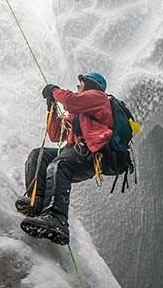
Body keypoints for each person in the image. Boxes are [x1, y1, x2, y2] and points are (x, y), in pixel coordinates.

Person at [16, 71, 113, 245]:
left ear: (90, 85)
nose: (77, 86)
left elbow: (71, 101)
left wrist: (54, 91)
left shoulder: (98, 98)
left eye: (80, 84)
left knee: (59, 164)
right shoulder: (80, 113)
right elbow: (55, 135)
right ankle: (36, 202)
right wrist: (51, 108)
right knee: (39, 155)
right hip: (76, 152)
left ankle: (57, 219)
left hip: (89, 154)